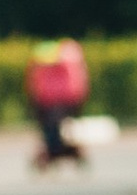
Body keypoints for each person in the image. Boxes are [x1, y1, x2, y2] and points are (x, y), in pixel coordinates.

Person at [25, 37, 90, 173]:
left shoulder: (65, 57)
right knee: (51, 129)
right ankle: (55, 151)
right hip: (50, 102)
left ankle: (55, 151)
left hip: (59, 101)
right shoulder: (64, 58)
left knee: (54, 128)